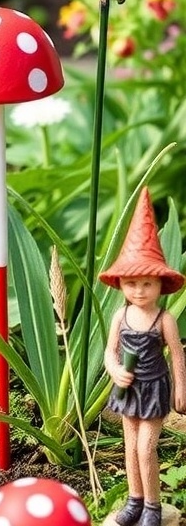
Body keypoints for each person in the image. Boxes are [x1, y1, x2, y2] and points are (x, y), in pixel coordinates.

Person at [100, 188, 186, 526]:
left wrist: (181, 388)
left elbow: (177, 355)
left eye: (147, 283)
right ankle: (134, 500)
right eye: (131, 282)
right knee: (129, 445)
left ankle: (153, 505)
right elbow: (109, 351)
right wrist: (115, 369)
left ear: (160, 284)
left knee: (146, 448)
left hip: (153, 389)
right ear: (121, 283)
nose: (138, 290)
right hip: (128, 389)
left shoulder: (164, 320)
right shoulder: (119, 317)